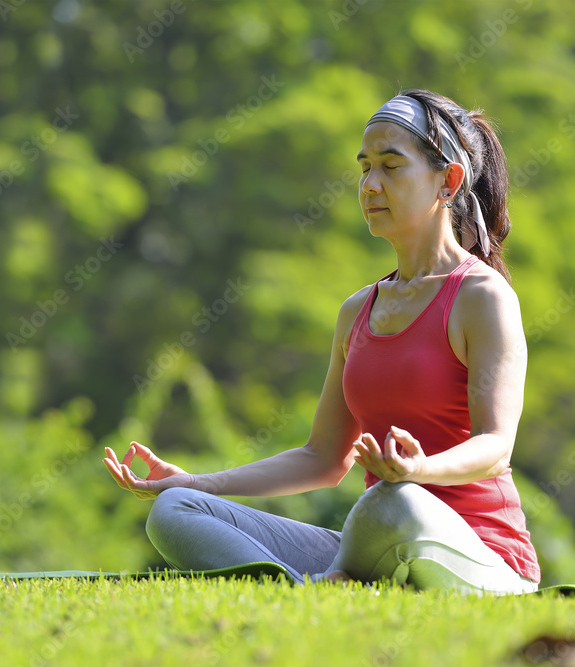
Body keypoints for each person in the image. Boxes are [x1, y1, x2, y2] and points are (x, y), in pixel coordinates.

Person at [103, 88, 540, 594]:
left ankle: (337, 578)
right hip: (375, 541)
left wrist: (419, 470)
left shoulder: (483, 296)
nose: (371, 185)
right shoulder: (358, 310)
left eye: (391, 167)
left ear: (448, 181)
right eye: (365, 169)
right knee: (175, 511)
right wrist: (199, 481)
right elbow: (324, 457)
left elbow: (494, 446)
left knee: (393, 500)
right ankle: (307, 590)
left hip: (480, 554)